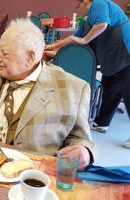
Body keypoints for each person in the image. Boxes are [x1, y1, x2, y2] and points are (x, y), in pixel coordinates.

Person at [0, 18, 96, 170]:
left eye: (5, 53)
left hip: (32, 174)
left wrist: (84, 152)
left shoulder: (72, 89)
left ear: (30, 57)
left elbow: (80, 139)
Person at [45, 0, 130, 147]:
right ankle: (101, 123)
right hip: (112, 53)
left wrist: (85, 40)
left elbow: (102, 25)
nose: (78, 10)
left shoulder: (98, 3)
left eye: (78, 6)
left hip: (124, 47)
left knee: (128, 89)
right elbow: (73, 39)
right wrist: (53, 46)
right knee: (110, 86)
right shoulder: (87, 21)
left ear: (85, 2)